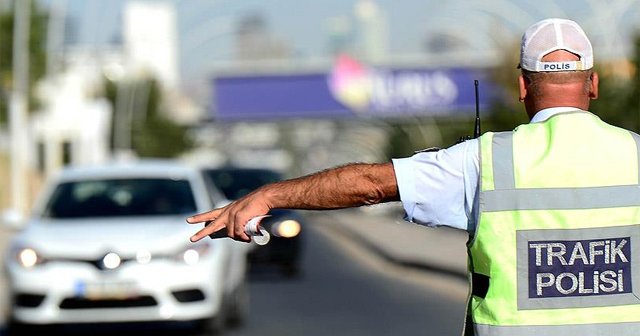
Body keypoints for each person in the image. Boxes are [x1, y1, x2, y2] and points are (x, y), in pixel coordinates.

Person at [188, 18, 640, 335]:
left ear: (523, 85)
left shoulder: (485, 162)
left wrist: (268, 195)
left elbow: (368, 184)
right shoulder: (635, 154)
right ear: (594, 84)